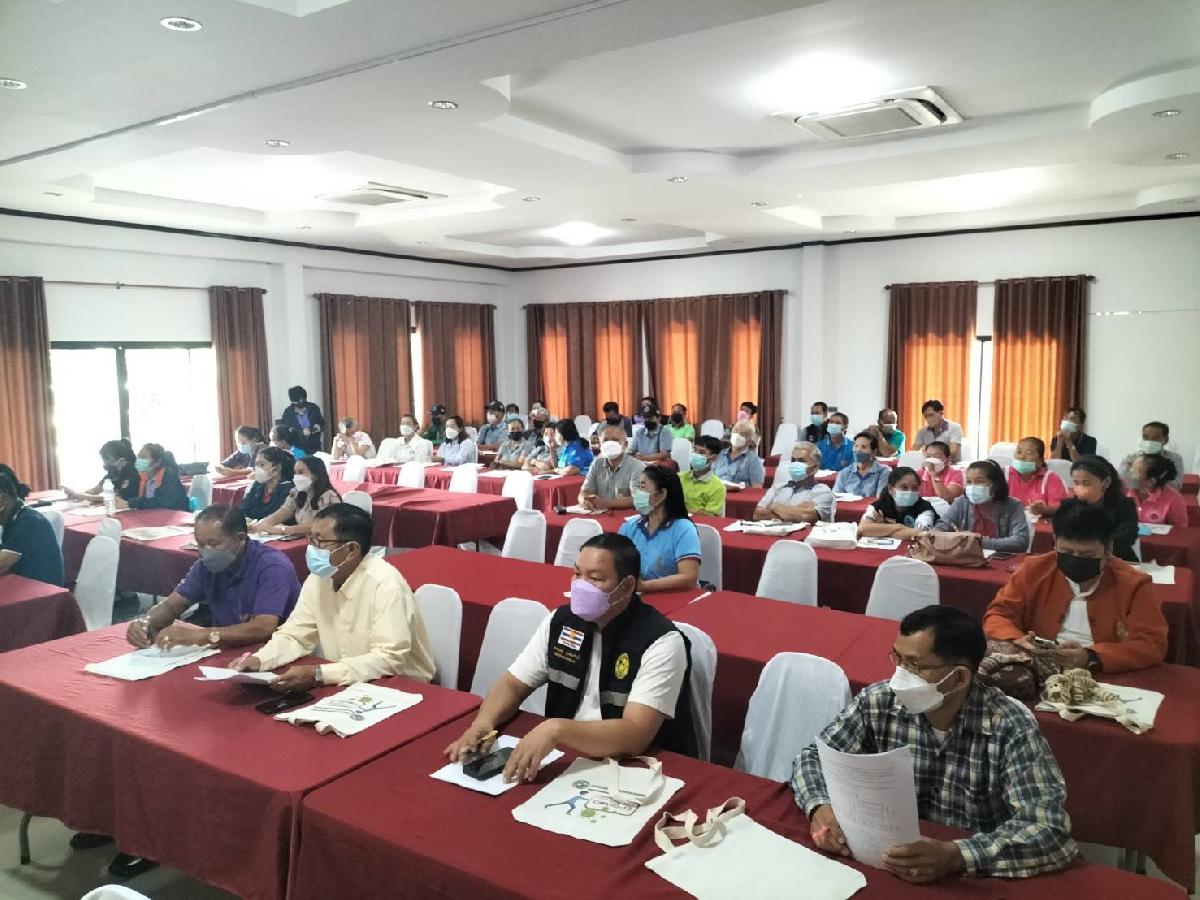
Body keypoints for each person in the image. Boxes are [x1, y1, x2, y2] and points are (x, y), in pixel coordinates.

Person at [794, 605, 1076, 882]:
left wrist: (958, 856)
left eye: (914, 665)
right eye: (897, 658)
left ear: (959, 677)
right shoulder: (880, 702)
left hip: (970, 879)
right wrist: (819, 807)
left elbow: (1048, 829)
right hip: (890, 860)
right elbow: (812, 757)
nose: (900, 675)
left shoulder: (1009, 726)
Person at [443, 533, 695, 779]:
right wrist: (483, 723)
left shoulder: (660, 641)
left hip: (631, 767)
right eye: (577, 574)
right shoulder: (562, 622)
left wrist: (557, 729)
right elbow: (513, 683)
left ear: (627, 586)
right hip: (565, 755)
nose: (581, 585)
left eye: (594, 578)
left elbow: (635, 734)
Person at [232, 503, 435, 688]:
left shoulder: (385, 583)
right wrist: (260, 660)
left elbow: (389, 658)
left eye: (319, 542)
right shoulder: (319, 578)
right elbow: (296, 635)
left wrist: (320, 674)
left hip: (403, 688)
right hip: (349, 683)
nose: (311, 548)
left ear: (351, 550)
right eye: (310, 539)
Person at [983, 500, 1167, 673]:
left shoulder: (1133, 583)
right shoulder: (1034, 570)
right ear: (1055, 542)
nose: (1076, 559)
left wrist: (1091, 656)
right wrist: (1016, 640)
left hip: (1103, 671)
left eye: (1087, 555)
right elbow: (998, 614)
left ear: (1108, 549)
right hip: (1040, 666)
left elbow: (1151, 644)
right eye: (1067, 551)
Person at [126, 504, 300, 648]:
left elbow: (263, 628)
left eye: (213, 544)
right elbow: (172, 605)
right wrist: (146, 622)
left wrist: (202, 635)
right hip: (228, 648)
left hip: (276, 651)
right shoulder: (205, 566)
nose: (205, 552)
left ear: (240, 539)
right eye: (200, 544)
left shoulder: (272, 566)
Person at [617, 466, 701, 592]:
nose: (637, 493)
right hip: (636, 594)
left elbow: (688, 577)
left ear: (661, 494)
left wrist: (644, 586)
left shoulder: (683, 529)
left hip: (672, 595)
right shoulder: (630, 526)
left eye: (642, 487)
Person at [934, 460, 1029, 553]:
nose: (972, 486)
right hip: (965, 558)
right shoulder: (961, 503)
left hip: (999, 560)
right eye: (969, 482)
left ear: (995, 485)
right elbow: (940, 528)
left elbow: (1020, 542)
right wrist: (953, 537)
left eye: (979, 481)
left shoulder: (1012, 506)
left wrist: (976, 541)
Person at [0, 464, 64, 586]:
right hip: (20, 587)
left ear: (2, 498)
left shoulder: (30, 523)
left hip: (42, 594)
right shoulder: (10, 518)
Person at [1070, 455, 1139, 563]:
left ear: (1106, 482)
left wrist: (1094, 551)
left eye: (1086, 483)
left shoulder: (1124, 506)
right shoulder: (1069, 506)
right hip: (1077, 560)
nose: (1080, 488)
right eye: (1076, 483)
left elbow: (1126, 537)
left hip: (1117, 560)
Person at [250, 456, 341, 536]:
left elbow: (322, 525)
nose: (297, 477)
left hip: (324, 542)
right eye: (295, 473)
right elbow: (283, 512)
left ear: (315, 476)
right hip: (303, 539)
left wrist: (282, 530)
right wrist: (261, 525)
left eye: (301, 472)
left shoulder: (329, 497)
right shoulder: (295, 493)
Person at [754, 441, 834, 523]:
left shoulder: (822, 491)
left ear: (815, 467)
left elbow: (807, 517)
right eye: (793, 460)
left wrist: (773, 506)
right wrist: (795, 512)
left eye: (801, 461)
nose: (795, 464)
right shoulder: (777, 487)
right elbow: (757, 514)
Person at [859, 467, 939, 539]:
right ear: (890, 489)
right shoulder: (879, 506)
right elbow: (863, 528)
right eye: (904, 487)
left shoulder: (925, 508)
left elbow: (920, 534)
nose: (910, 492)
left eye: (914, 488)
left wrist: (881, 530)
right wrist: (899, 527)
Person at [578, 425, 645, 511]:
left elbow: (639, 499)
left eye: (615, 440)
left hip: (624, 516)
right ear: (600, 444)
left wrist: (605, 503)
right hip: (599, 514)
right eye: (605, 440)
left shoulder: (637, 466)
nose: (609, 444)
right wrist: (584, 500)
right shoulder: (597, 463)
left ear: (625, 445)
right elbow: (585, 491)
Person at [62, 439, 140, 505]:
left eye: (107, 459)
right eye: (104, 460)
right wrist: (76, 494)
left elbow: (118, 499)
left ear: (121, 460)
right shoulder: (112, 474)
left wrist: (87, 497)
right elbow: (95, 490)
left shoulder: (130, 473)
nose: (105, 464)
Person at [1007, 437, 1068, 517]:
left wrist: (1044, 510)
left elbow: (1062, 508)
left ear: (1040, 461)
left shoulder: (1051, 478)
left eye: (1028, 453)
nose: (1022, 457)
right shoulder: (1004, 474)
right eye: (1019, 452)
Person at [119, 443, 189, 511]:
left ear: (157, 462)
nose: (139, 460)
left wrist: (130, 503)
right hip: (151, 515)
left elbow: (161, 502)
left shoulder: (169, 475)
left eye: (143, 457)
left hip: (175, 515)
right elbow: (129, 495)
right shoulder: (143, 477)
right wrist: (123, 492)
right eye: (138, 457)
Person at [1119, 421, 1185, 490]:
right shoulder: (1130, 458)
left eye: (1156, 438)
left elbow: (1176, 485)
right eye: (1145, 437)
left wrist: (1150, 481)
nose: (1149, 441)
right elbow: (1122, 482)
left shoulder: (1174, 458)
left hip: (1164, 496)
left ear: (1166, 440)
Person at [1126, 453, 1187, 527]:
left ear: (1150, 481)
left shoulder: (1174, 498)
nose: (1129, 472)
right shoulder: (1122, 491)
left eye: (1136, 471)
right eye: (1131, 467)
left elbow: (1180, 529)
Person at [241, 446, 295, 521]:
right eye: (256, 464)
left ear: (276, 469)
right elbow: (244, 507)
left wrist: (252, 520)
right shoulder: (258, 484)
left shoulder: (288, 489)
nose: (257, 468)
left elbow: (272, 515)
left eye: (262, 465)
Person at [833, 431, 890, 497]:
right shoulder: (844, 473)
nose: (858, 450)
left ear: (874, 452)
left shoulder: (884, 472)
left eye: (864, 447)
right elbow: (835, 497)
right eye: (856, 446)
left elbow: (881, 499)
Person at [679, 435, 726, 516]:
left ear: (713, 458)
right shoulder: (679, 477)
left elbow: (710, 516)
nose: (695, 454)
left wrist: (681, 510)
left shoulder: (717, 487)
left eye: (701, 452)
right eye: (695, 450)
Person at [713, 420, 764, 488]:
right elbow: (711, 477)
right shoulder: (721, 454)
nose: (737, 435)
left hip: (738, 494)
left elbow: (757, 488)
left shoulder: (753, 460)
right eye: (735, 431)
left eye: (742, 434)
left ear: (749, 440)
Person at [280, 386, 324, 454]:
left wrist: (319, 427)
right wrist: (301, 432)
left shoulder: (313, 408)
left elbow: (322, 424)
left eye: (303, 400)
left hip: (314, 446)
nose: (301, 402)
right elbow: (286, 431)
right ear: (293, 401)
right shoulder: (288, 413)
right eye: (298, 401)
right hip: (296, 447)